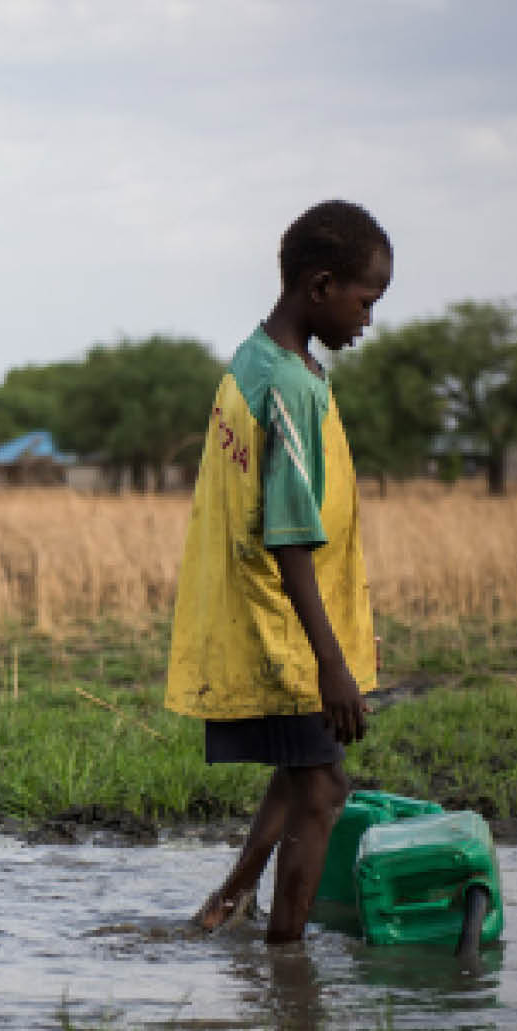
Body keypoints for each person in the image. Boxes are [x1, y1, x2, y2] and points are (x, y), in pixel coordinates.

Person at [165, 200, 392, 943]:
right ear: (321, 285)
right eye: (366, 300)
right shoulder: (288, 388)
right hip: (283, 628)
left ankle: (227, 901)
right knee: (324, 790)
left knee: (301, 769)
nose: (368, 319)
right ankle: (287, 970)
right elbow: (291, 538)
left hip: (271, 618)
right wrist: (332, 665)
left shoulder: (256, 359)